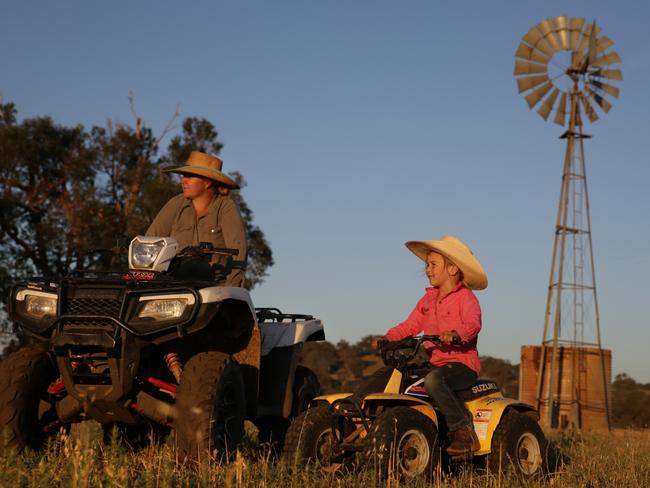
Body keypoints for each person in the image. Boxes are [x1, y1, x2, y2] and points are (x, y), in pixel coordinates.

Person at [372, 235, 488, 455]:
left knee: (434, 380)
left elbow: (473, 324)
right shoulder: (427, 300)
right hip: (436, 364)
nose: (427, 269)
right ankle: (370, 418)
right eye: (427, 265)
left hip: (462, 366)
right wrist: (386, 339)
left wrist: (456, 335)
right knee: (398, 376)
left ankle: (464, 431)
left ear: (452, 269)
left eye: (433, 264)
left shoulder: (466, 299)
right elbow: (409, 326)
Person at [146, 151, 247, 287]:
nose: (183, 181)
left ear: (207, 182)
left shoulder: (225, 207)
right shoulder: (175, 204)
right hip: (173, 285)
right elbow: (149, 243)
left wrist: (231, 288)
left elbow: (238, 250)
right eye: (183, 176)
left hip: (215, 287)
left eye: (189, 176)